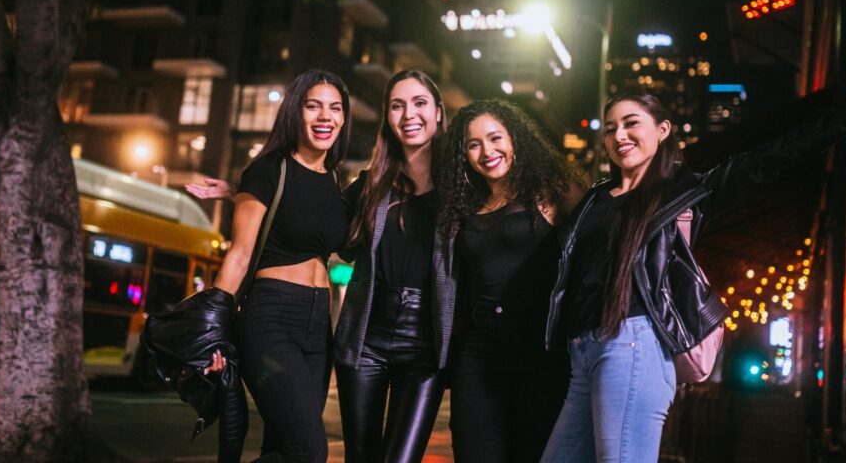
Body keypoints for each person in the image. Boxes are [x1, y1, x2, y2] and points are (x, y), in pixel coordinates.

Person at [540, 89, 846, 463]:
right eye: (610, 128)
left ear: (662, 131)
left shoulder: (686, 194)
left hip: (632, 345)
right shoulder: (593, 198)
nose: (619, 135)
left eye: (631, 123)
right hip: (582, 351)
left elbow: (770, 158)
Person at [204, 69, 352, 463]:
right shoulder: (268, 169)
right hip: (271, 318)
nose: (326, 117)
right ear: (295, 112)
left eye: (335, 109)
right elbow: (239, 254)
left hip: (320, 325)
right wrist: (215, 328)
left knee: (283, 447)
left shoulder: (334, 181)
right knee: (308, 452)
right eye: (314, 106)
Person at [434, 99, 584, 463]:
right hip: (477, 356)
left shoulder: (551, 191)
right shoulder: (463, 207)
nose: (487, 151)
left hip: (540, 354)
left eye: (495, 137)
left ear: (515, 139)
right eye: (474, 144)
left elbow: (602, 240)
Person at [333, 70, 448, 463]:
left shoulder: (462, 187)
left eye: (419, 103)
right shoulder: (370, 185)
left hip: (425, 346)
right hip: (367, 335)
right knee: (360, 457)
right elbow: (316, 224)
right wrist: (247, 197)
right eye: (397, 105)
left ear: (438, 112)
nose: (408, 114)